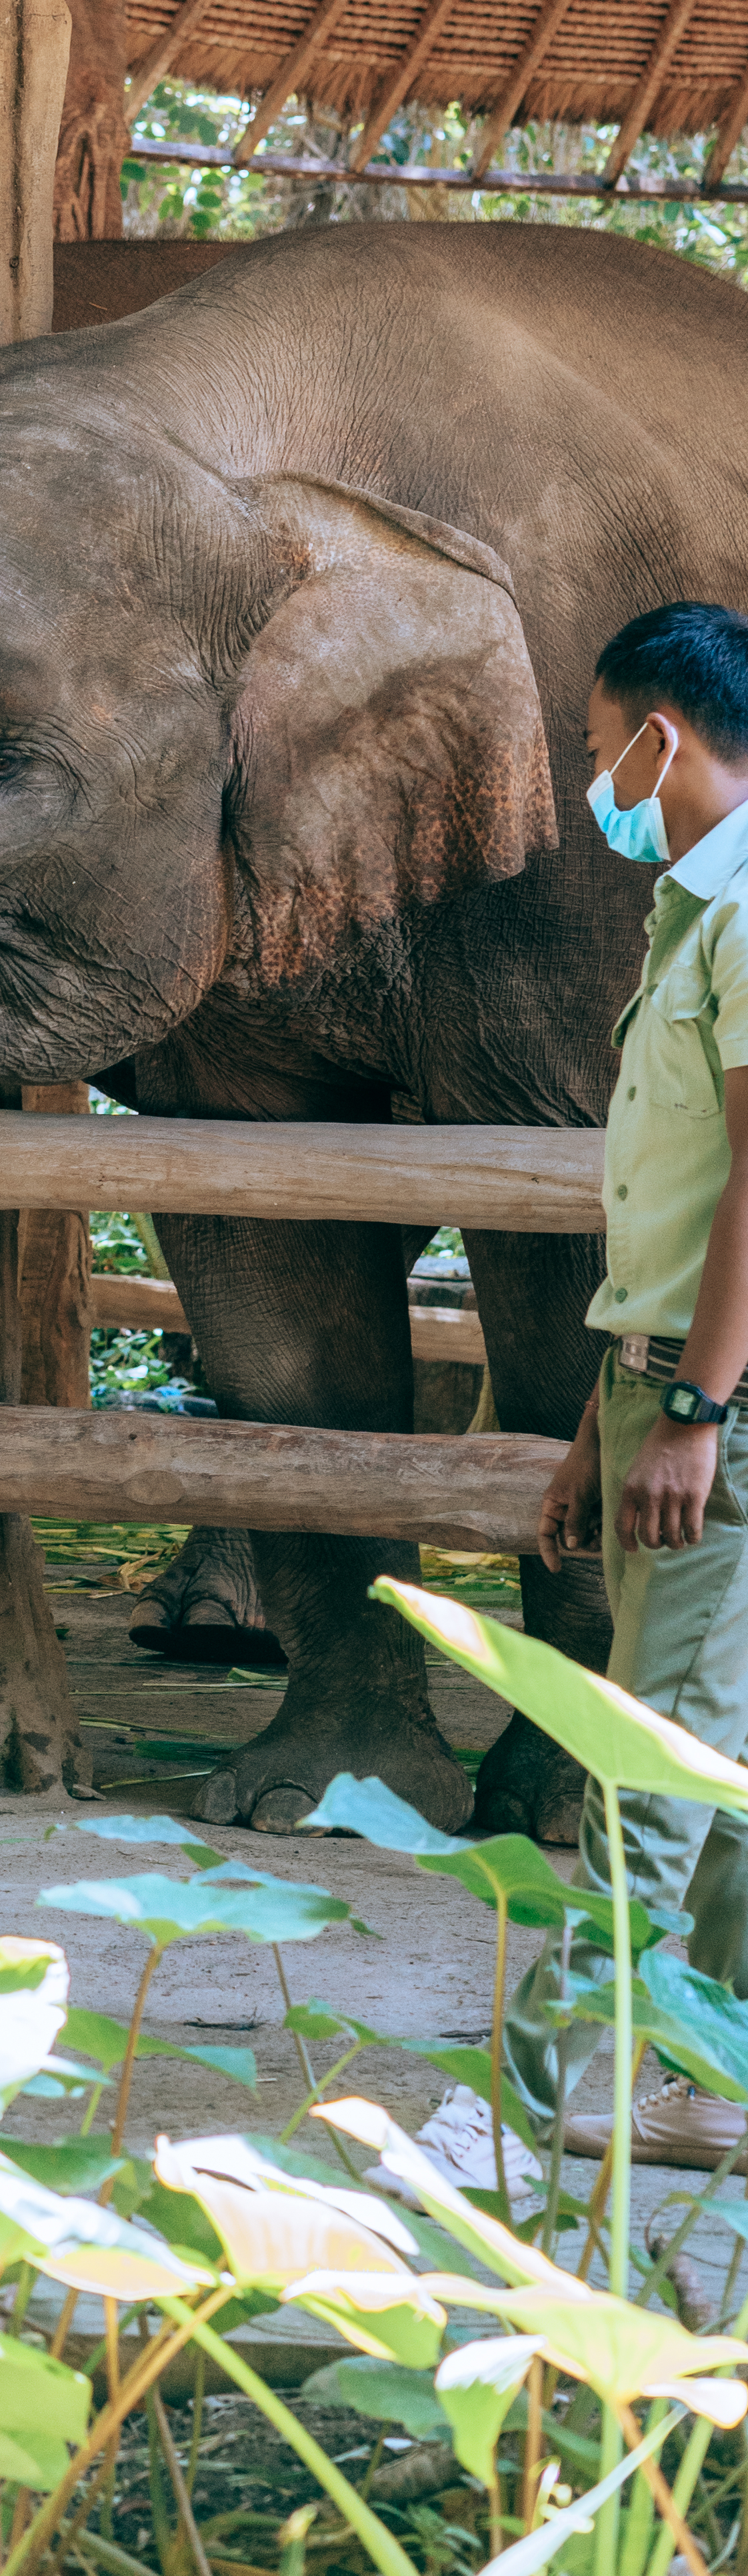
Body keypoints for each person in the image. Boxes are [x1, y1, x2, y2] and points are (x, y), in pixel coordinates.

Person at [415, 602, 748, 2194]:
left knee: (643, 1757)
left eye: (595, 738)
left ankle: (523, 2096)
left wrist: (691, 1408)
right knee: (720, 1764)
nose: (592, 774)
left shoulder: (745, 913)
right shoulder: (694, 911)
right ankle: (711, 2085)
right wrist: (598, 1421)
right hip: (664, 1385)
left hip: (713, 1404)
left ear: (657, 740)